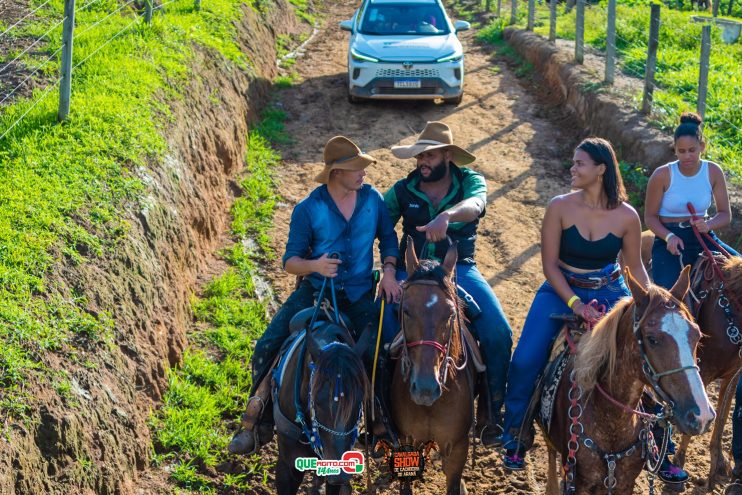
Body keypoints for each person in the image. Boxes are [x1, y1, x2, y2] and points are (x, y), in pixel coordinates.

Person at [228, 136, 401, 455]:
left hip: (362, 295)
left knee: (381, 355)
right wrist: (316, 265)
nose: (363, 172)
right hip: (315, 293)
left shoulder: (373, 200)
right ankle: (257, 423)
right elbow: (290, 262)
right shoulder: (309, 209)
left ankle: (382, 425)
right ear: (336, 172)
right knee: (267, 344)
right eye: (356, 167)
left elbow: (390, 241)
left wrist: (389, 272)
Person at [500, 137, 649, 470]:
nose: (572, 168)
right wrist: (576, 304)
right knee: (525, 360)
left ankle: (657, 444)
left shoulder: (627, 216)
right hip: (560, 289)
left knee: (645, 354)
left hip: (612, 291)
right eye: (572, 162)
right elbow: (550, 265)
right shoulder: (560, 206)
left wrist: (651, 299)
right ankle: (515, 434)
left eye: (579, 163)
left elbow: (635, 266)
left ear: (600, 169)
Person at [382, 121, 514, 446]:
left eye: (429, 156)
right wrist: (387, 269)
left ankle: (489, 416)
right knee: (376, 332)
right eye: (419, 156)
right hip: (408, 274)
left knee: (499, 333)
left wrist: (448, 216)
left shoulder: (470, 181)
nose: (422, 162)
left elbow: (475, 206)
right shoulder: (403, 189)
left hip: (459, 270)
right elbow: (382, 224)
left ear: (447, 156)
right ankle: (379, 417)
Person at [645, 111, 740, 485]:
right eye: (680, 150)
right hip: (671, 243)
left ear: (702, 145)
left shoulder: (712, 171)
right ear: (674, 149)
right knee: (668, 302)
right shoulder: (662, 175)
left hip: (703, 236)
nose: (685, 155)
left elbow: (725, 215)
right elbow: (650, 216)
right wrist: (667, 237)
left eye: (691, 149)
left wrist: (708, 224)